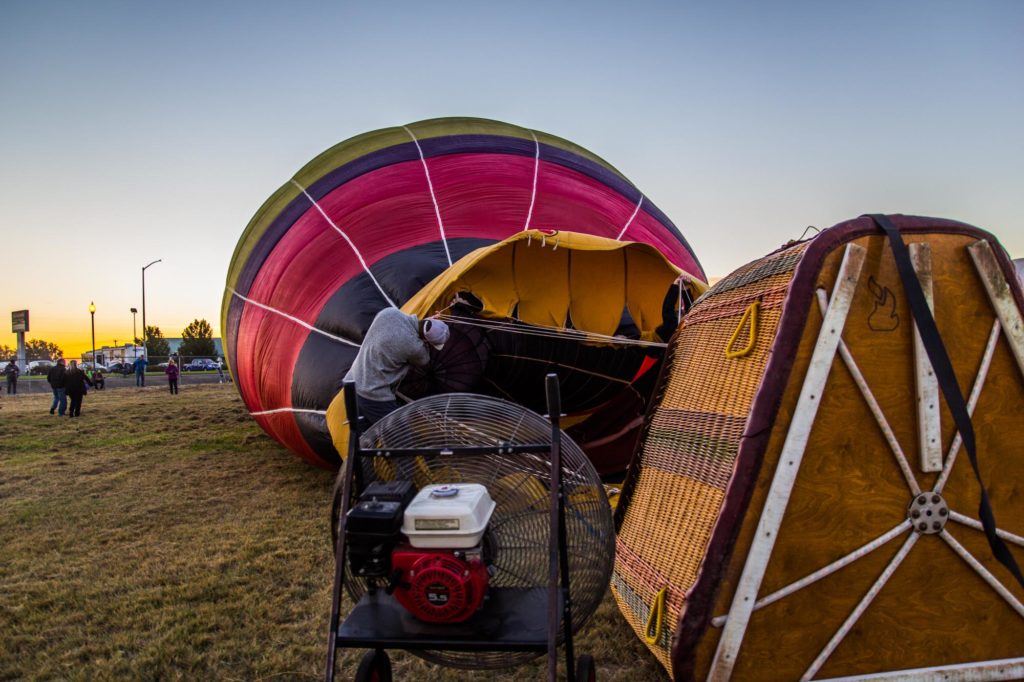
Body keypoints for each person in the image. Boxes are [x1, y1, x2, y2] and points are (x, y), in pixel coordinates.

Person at [344, 308, 449, 426]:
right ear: (425, 340)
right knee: (400, 436)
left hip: (351, 382)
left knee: (362, 435)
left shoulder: (389, 312)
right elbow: (425, 360)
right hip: (373, 393)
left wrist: (426, 323)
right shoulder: (414, 347)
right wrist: (425, 343)